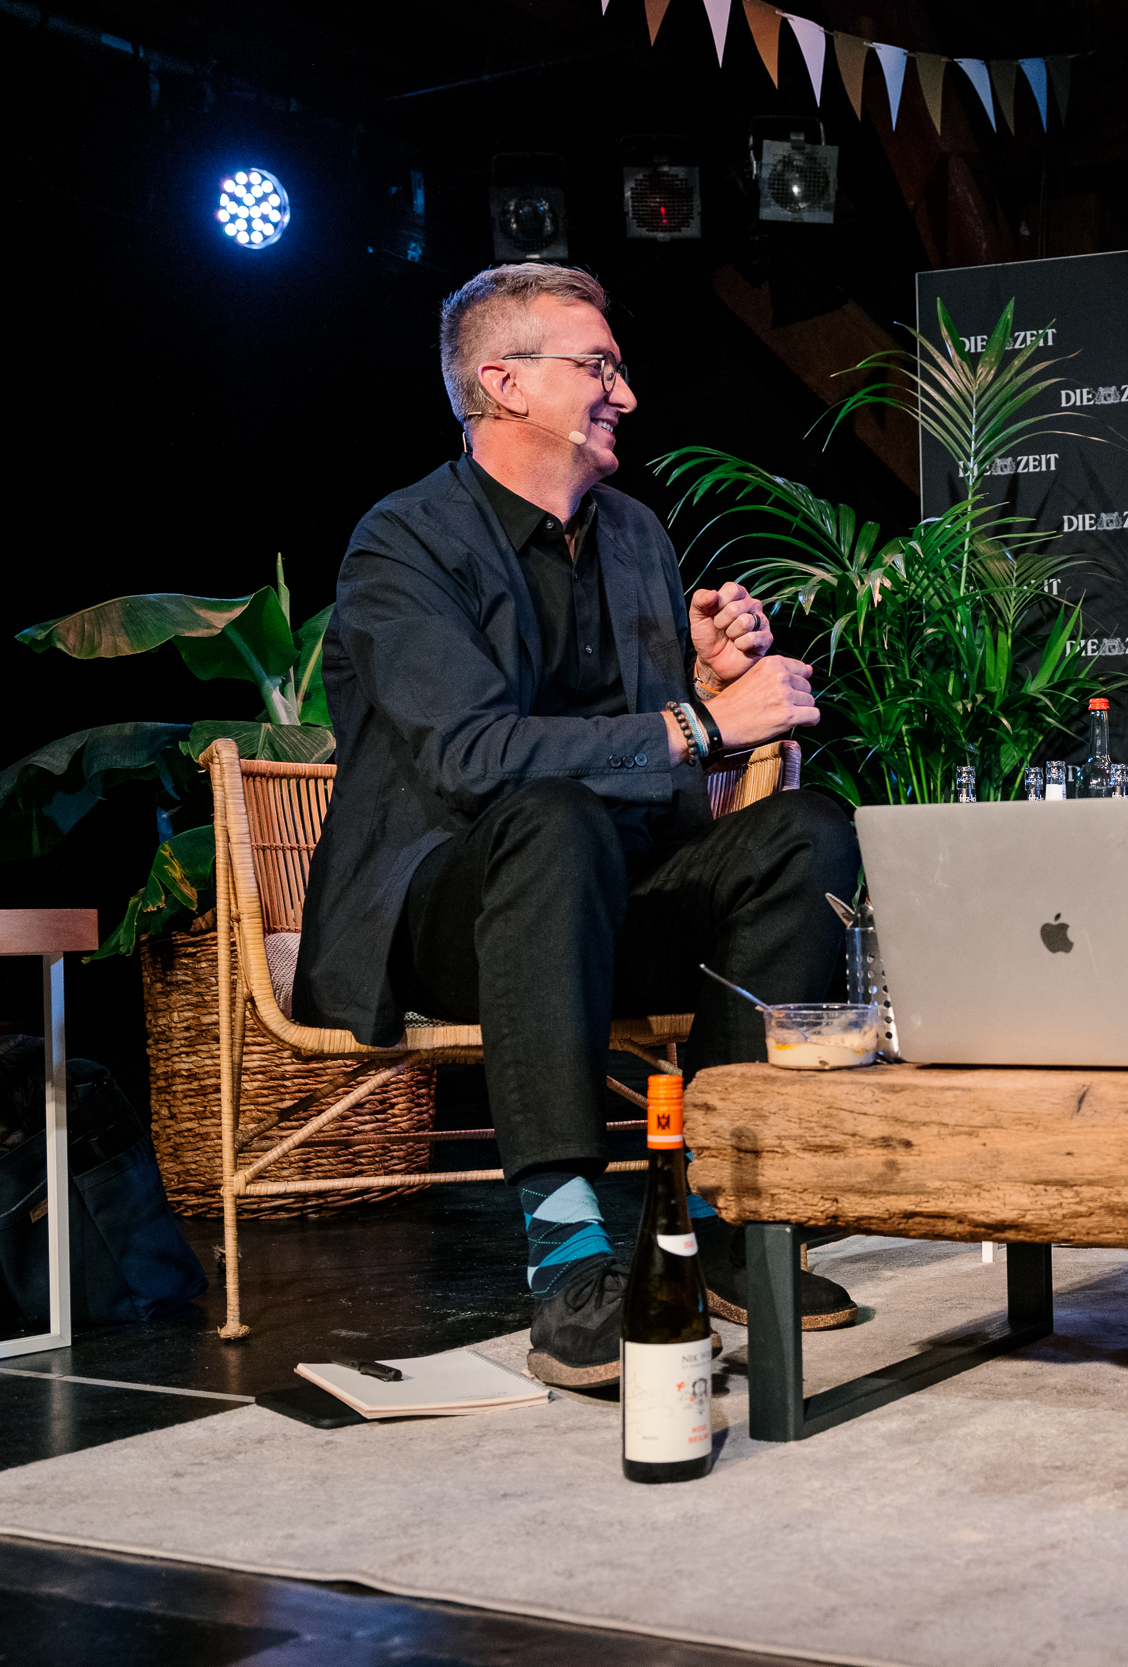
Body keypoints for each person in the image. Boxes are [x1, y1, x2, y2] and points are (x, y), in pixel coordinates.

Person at [296, 262, 866, 1387]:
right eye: (598, 367)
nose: (626, 394)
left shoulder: (635, 536)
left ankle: (719, 1222)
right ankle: (567, 1257)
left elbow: (655, 770)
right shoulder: (401, 542)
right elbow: (473, 758)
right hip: (452, 914)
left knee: (807, 830)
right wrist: (701, 721)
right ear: (504, 383)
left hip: (607, 900)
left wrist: (704, 677)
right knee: (551, 821)